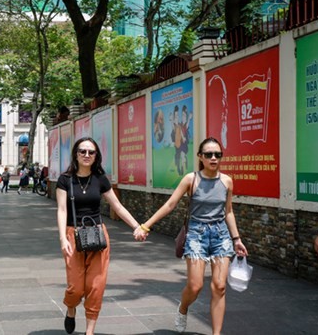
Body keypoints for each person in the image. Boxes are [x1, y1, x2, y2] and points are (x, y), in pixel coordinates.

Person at [134, 137, 248, 335]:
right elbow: (170, 205)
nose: (213, 158)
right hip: (196, 234)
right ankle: (183, 308)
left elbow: (228, 211)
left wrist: (236, 239)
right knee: (195, 286)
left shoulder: (227, 181)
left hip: (221, 235)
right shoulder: (191, 179)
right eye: (209, 154)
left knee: (219, 287)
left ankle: (216, 333)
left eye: (217, 155)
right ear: (200, 157)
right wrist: (146, 226)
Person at [56, 137, 145, 335]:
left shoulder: (100, 179)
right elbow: (62, 210)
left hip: (98, 235)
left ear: (96, 156)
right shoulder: (65, 180)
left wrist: (136, 227)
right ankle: (71, 309)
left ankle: (90, 332)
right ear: (76, 154)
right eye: (82, 151)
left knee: (96, 286)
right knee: (76, 287)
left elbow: (118, 206)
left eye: (91, 152)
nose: (87, 155)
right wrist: (62, 238)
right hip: (73, 235)